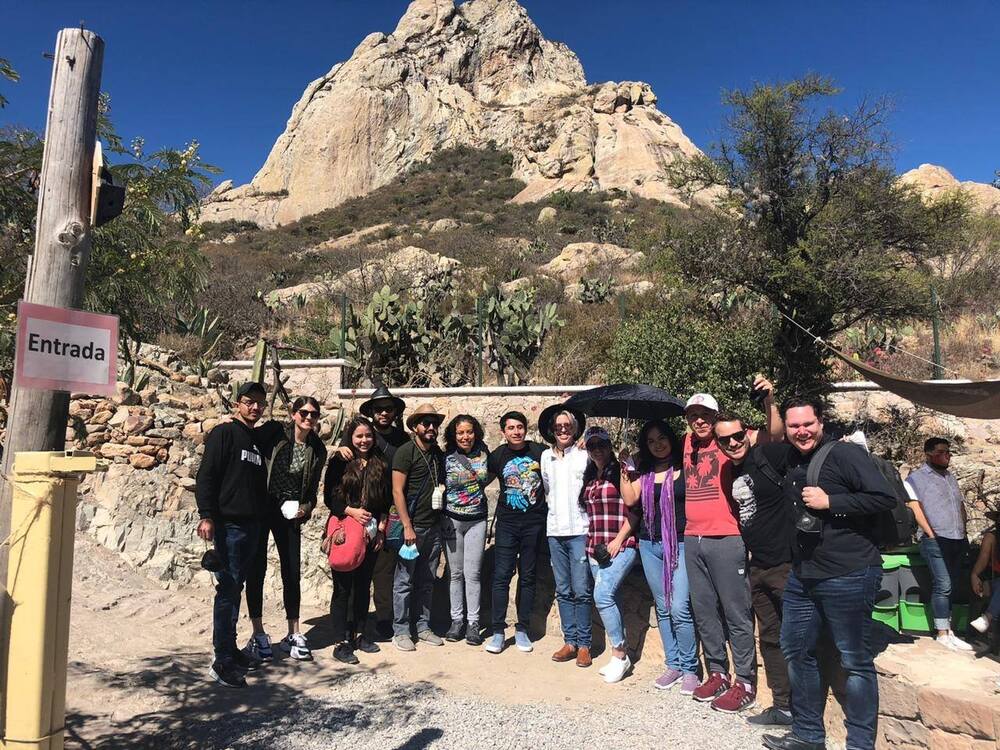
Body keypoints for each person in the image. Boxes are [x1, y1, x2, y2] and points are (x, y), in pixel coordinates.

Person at [763, 396, 896, 750]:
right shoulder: (791, 457)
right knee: (796, 650)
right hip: (804, 575)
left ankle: (860, 745)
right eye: (794, 426)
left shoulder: (845, 454)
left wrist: (831, 502)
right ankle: (808, 736)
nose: (801, 431)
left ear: (821, 421)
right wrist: (769, 399)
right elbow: (765, 437)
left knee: (854, 660)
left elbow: (884, 497)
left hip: (849, 572)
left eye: (807, 424)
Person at [714, 410, 795, 727]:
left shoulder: (768, 455)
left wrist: (771, 401)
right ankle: (784, 707)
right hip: (758, 566)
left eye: (737, 435)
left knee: (797, 639)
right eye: (725, 439)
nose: (733, 442)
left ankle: (808, 713)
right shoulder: (729, 472)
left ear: (746, 432)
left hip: (785, 564)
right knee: (771, 639)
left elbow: (782, 435)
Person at [682, 392, 759, 713]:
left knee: (736, 611)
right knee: (704, 610)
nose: (699, 420)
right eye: (693, 415)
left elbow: (764, 435)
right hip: (692, 536)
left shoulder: (732, 442)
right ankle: (717, 672)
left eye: (706, 415)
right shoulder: (687, 443)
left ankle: (745, 681)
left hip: (726, 536)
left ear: (717, 417)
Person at [195, 381, 270, 688]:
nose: (254, 407)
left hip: (252, 526)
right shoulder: (224, 433)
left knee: (235, 588)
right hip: (229, 526)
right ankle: (221, 660)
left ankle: (232, 649)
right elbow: (206, 475)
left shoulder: (256, 439)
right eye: (249, 402)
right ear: (237, 403)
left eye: (260, 403)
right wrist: (206, 516)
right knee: (227, 591)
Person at [243, 396, 326, 664]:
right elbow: (248, 441)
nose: (309, 418)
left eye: (314, 414)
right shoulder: (275, 432)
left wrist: (307, 507)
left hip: (290, 510)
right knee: (257, 568)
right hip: (263, 505)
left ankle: (293, 631)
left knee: (292, 569)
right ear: (293, 413)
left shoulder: (317, 448)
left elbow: (312, 490)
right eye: (304, 412)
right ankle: (258, 632)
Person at [620, 419, 698, 694]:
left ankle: (690, 668)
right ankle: (673, 664)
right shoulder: (646, 472)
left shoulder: (684, 468)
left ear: (671, 439)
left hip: (679, 542)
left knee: (679, 607)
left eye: (662, 438)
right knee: (663, 607)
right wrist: (624, 469)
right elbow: (630, 500)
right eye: (651, 441)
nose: (657, 445)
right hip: (649, 544)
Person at [323, 416, 392, 664]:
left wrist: (381, 529)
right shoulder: (340, 462)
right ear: (350, 438)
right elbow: (330, 498)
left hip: (370, 532)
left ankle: (360, 634)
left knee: (364, 585)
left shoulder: (380, 463)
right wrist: (351, 511)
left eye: (368, 436)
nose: (364, 440)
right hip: (345, 530)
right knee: (342, 588)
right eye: (359, 436)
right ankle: (340, 641)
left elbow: (385, 501)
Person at [486, 411, 547, 655]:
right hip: (507, 525)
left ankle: (522, 628)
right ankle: (498, 631)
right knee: (501, 576)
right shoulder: (498, 455)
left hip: (534, 523)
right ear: (503, 432)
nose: (516, 431)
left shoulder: (540, 452)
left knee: (528, 576)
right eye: (510, 428)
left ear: (526, 428)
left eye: (519, 427)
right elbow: (481, 480)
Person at [904, 437, 973, 652]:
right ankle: (942, 632)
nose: (947, 456)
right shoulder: (916, 479)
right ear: (929, 454)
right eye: (942, 452)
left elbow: (959, 504)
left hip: (957, 536)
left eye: (949, 452)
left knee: (951, 583)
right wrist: (930, 533)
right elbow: (915, 508)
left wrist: (964, 528)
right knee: (942, 584)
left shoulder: (950, 477)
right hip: (935, 538)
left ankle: (950, 629)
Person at [579, 426, 636, 683]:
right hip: (595, 548)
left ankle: (620, 655)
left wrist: (618, 540)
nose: (597, 450)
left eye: (601, 444)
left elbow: (636, 510)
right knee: (611, 598)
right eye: (592, 446)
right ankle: (620, 657)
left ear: (609, 445)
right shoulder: (591, 476)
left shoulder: (622, 471)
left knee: (602, 595)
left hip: (620, 544)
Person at [539, 404, 593, 668]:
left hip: (580, 531)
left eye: (567, 426)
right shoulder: (545, 458)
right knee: (563, 590)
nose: (563, 430)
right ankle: (569, 641)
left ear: (575, 429)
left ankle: (584, 644)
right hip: (555, 531)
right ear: (552, 430)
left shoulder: (584, 456)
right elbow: (547, 490)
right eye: (559, 426)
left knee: (582, 590)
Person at [390, 403, 446, 652]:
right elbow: (397, 491)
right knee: (404, 580)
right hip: (412, 528)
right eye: (426, 423)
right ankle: (401, 630)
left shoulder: (438, 454)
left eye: (435, 423)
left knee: (427, 580)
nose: (431, 427)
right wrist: (407, 526)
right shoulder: (405, 452)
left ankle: (423, 627)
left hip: (433, 527)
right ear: (415, 427)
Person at [360, 386, 409, 642]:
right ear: (371, 412)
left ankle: (383, 619)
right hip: (362, 511)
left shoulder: (403, 440)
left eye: (388, 409)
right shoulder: (363, 438)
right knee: (357, 567)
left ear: (394, 412)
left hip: (390, 513)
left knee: (384, 569)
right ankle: (354, 619)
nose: (383, 413)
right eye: (378, 409)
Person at [441, 414, 491, 645]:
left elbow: (491, 475)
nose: (465, 436)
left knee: (473, 574)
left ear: (476, 433)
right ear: (453, 435)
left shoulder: (485, 454)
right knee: (455, 573)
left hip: (477, 520)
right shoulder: (445, 457)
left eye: (469, 431)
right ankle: (456, 620)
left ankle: (473, 623)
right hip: (452, 520)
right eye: (460, 432)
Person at [970, 525, 1000, 635]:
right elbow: (983, 560)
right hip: (994, 580)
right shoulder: (992, 537)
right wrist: (975, 576)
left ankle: (988, 617)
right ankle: (988, 617)